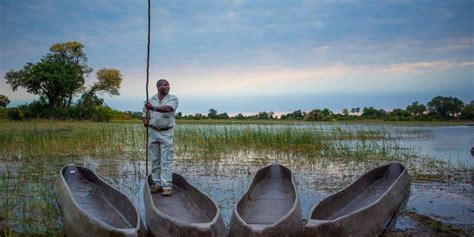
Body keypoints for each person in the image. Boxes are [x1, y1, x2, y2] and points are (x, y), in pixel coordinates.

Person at [144, 79, 179, 196]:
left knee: (166, 161)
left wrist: (152, 108)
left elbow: (168, 109)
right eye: (165, 85)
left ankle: (167, 186)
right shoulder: (151, 99)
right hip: (153, 132)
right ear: (158, 87)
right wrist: (146, 121)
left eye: (168, 85)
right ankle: (157, 184)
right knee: (155, 160)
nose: (168, 87)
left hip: (166, 133)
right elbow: (145, 115)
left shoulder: (173, 99)